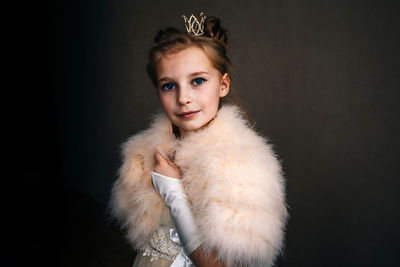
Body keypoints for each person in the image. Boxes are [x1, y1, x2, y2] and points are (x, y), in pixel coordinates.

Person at [110, 13, 288, 267]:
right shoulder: (147, 155)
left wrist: (172, 192)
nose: (183, 98)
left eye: (198, 81)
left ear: (223, 85)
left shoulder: (244, 165)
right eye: (169, 86)